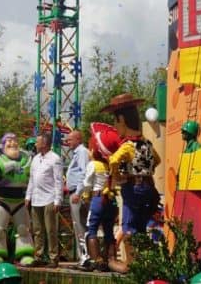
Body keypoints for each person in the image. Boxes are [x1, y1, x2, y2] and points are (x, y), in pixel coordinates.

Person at [101, 93, 159, 273]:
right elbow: (156, 161)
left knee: (128, 227)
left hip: (133, 188)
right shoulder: (147, 143)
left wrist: (118, 174)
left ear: (122, 119)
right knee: (141, 227)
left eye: (116, 123)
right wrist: (146, 172)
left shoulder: (127, 146)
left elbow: (112, 161)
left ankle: (132, 265)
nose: (116, 127)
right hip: (149, 188)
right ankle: (146, 264)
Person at [0, 133, 34, 266]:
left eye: (15, 141)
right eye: (9, 141)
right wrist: (9, 166)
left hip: (19, 200)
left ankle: (25, 254)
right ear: (3, 145)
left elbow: (29, 174)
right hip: (2, 199)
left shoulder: (26, 158)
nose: (13, 143)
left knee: (23, 229)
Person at [81, 123, 121, 272]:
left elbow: (87, 184)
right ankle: (111, 259)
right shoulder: (110, 165)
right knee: (109, 230)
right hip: (111, 201)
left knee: (92, 229)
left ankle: (96, 260)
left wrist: (85, 196)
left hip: (98, 199)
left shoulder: (93, 165)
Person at [25, 133, 63, 268]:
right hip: (36, 198)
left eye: (37, 142)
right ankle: (38, 256)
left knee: (50, 229)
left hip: (49, 198)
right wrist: (28, 196)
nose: (35, 144)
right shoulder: (35, 159)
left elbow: (58, 181)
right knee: (37, 229)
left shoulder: (55, 159)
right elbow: (32, 179)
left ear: (45, 143)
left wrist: (58, 200)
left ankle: (53, 258)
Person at [64, 130, 89, 266]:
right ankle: (82, 257)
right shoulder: (77, 153)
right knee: (77, 226)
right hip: (73, 192)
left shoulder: (81, 152)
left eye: (70, 140)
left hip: (76, 194)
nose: (67, 142)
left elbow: (84, 172)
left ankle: (85, 258)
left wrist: (78, 192)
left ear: (78, 139)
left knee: (80, 226)